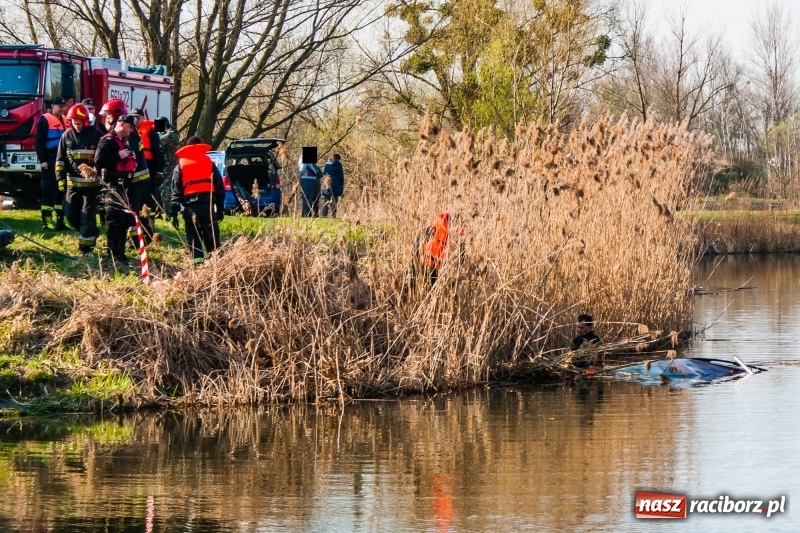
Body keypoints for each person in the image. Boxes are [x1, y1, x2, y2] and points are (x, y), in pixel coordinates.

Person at [55, 103, 103, 255]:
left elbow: (101, 160)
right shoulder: (66, 136)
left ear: (86, 121)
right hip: (73, 186)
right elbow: (60, 160)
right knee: (69, 213)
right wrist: (60, 180)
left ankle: (85, 249)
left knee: (86, 216)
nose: (77, 126)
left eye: (79, 122)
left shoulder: (96, 135)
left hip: (91, 187)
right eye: (74, 123)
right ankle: (92, 233)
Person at [170, 136, 226, 264]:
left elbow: (175, 191)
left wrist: (173, 213)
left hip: (190, 208)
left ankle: (198, 267)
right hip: (208, 207)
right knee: (212, 239)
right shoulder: (209, 163)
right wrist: (221, 209)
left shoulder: (180, 165)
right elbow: (220, 188)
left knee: (194, 240)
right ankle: (216, 266)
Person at [94, 107, 137, 268]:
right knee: (115, 221)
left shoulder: (124, 141)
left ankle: (121, 253)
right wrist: (119, 156)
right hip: (112, 185)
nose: (131, 131)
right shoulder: (108, 140)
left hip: (125, 185)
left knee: (125, 221)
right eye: (130, 127)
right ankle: (113, 254)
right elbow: (99, 161)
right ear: (122, 123)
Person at [35, 95, 68, 230]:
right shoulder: (44, 120)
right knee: (48, 189)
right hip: (49, 158)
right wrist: (42, 160)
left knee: (62, 190)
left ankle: (61, 221)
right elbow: (39, 142)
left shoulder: (66, 120)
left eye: (63, 106)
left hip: (62, 159)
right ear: (52, 106)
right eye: (59, 106)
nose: (62, 109)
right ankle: (47, 222)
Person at [125, 108, 155, 247]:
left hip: (148, 171)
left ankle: (145, 235)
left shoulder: (151, 129)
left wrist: (159, 170)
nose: (136, 120)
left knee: (143, 205)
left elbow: (160, 144)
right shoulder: (131, 132)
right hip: (138, 173)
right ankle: (143, 235)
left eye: (138, 117)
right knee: (138, 206)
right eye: (133, 117)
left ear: (143, 118)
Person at [157, 115, 180, 214]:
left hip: (170, 167)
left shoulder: (172, 133)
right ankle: (158, 212)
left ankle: (169, 213)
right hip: (162, 166)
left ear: (164, 124)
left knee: (165, 190)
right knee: (157, 189)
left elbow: (159, 142)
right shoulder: (161, 133)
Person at [322, 153, 344, 217]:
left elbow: (323, 173)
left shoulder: (326, 164)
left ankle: (324, 215)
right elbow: (341, 176)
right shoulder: (338, 165)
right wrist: (342, 184)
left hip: (327, 184)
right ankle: (333, 215)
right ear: (338, 159)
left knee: (326, 200)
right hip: (336, 185)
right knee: (334, 201)